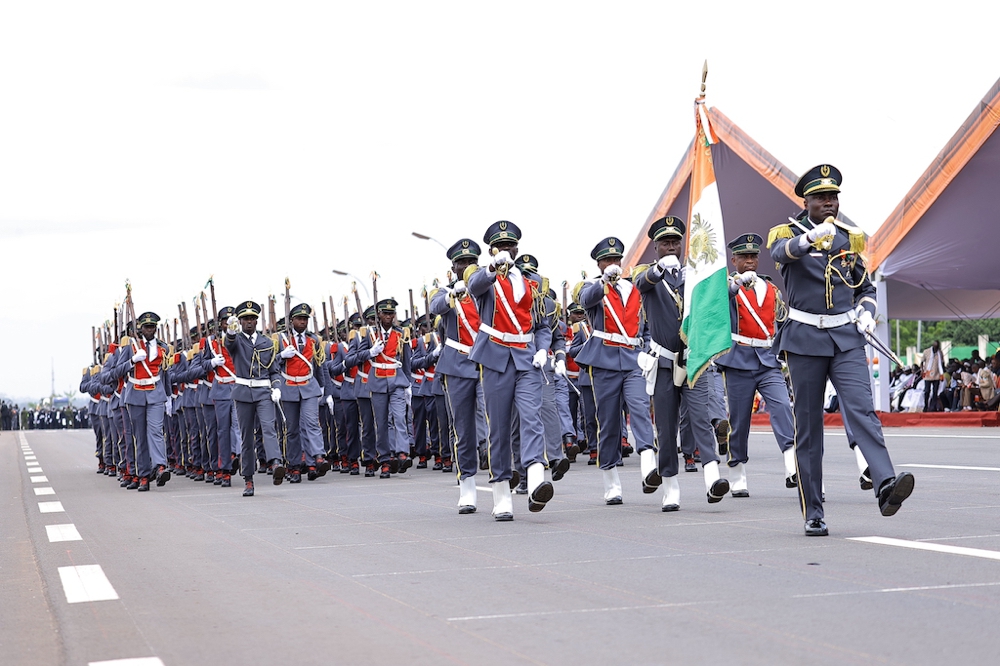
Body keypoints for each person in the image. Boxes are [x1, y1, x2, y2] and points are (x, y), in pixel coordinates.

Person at [767, 164, 914, 536]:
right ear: (807, 202)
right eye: (821, 198)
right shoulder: (788, 233)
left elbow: (863, 286)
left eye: (833, 197)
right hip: (804, 340)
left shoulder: (849, 239)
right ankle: (813, 510)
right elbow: (781, 254)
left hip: (846, 337)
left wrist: (866, 313)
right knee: (809, 428)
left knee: (862, 409)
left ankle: (884, 485)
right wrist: (811, 238)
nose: (829, 203)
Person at [634, 217, 731, 511]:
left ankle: (713, 477)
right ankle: (670, 488)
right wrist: (660, 269)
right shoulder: (649, 273)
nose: (671, 247)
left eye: (676, 242)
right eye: (665, 243)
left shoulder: (693, 277)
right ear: (656, 248)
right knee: (666, 427)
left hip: (692, 359)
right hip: (663, 362)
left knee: (701, 418)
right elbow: (642, 282)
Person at [467, 220, 554, 521]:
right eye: (501, 246)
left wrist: (543, 347)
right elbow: (473, 286)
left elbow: (541, 324)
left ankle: (535, 480)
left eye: (511, 245)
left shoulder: (531, 282)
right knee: (500, 427)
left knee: (532, 416)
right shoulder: (486, 279)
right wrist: (491, 268)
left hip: (526, 358)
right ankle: (502, 493)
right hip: (495, 357)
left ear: (518, 248)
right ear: (492, 249)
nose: (507, 250)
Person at [574, 236, 656, 505]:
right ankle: (611, 481)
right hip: (605, 361)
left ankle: (648, 465)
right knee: (608, 422)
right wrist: (603, 282)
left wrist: (645, 350)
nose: (613, 264)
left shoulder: (633, 289)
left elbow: (642, 324)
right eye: (607, 260)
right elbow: (587, 300)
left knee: (640, 408)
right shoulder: (592, 287)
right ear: (599, 264)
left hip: (632, 360)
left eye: (616, 260)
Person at [714, 233, 797, 495]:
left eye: (753, 256)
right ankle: (737, 469)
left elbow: (781, 322)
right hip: (739, 359)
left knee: (783, 407)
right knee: (740, 421)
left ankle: (791, 463)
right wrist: (736, 284)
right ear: (734, 260)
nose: (750, 261)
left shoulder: (771, 288)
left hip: (768, 360)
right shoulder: (727, 287)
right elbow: (717, 303)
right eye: (744, 257)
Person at [431, 238, 486, 513]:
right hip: (457, 364)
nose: (465, 267)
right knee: (463, 429)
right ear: (452, 268)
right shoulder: (445, 291)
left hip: (487, 361)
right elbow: (435, 307)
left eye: (470, 262)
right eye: (460, 263)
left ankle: (500, 468)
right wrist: (454, 295)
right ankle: (467, 485)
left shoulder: (487, 288)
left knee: (492, 419)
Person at [225, 301, 287, 496]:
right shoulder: (236, 340)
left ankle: (276, 463)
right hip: (243, 392)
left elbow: (274, 370)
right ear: (241, 322)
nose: (249, 322)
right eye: (245, 319)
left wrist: (277, 387)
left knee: (269, 427)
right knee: (247, 438)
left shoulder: (267, 343)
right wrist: (230, 331)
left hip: (263, 392)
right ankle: (248, 479)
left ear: (256, 321)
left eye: (252, 319)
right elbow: (229, 343)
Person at [275, 303, 331, 482]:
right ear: (291, 321)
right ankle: (294, 466)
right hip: (289, 387)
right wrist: (281, 356)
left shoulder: (313, 339)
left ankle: (318, 457)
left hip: (309, 386)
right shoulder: (280, 339)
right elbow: (269, 364)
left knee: (312, 423)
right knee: (292, 430)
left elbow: (320, 365)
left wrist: (324, 388)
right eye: (299, 319)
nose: (303, 322)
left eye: (305, 319)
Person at [921, 341, 944, 412]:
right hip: (928, 374)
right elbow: (921, 362)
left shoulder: (940, 352)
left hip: (937, 374)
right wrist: (922, 370)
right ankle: (925, 405)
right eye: (935, 347)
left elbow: (942, 363)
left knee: (935, 392)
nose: (936, 348)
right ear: (932, 346)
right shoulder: (926, 351)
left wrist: (942, 374)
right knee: (927, 391)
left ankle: (933, 407)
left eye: (937, 347)